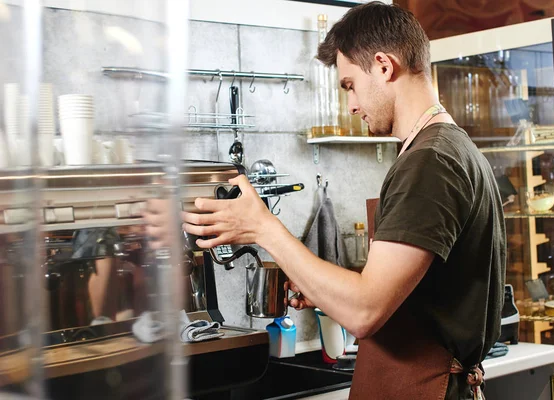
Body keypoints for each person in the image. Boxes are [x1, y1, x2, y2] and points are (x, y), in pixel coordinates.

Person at [178, 2, 505, 399]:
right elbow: (403, 296)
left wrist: (263, 227)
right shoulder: (449, 147)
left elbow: (366, 311)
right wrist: (324, 290)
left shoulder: (430, 161)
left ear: (385, 66)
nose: (350, 105)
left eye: (350, 84)